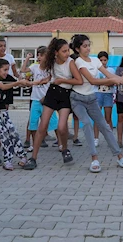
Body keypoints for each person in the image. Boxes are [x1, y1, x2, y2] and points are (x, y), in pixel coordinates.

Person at [70, 35, 123, 172]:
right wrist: (115, 81)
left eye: (88, 45)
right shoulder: (79, 62)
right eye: (84, 46)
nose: (88, 48)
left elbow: (109, 75)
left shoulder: (94, 60)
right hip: (77, 99)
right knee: (86, 123)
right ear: (77, 49)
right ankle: (94, 158)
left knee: (105, 126)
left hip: (91, 99)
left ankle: (119, 156)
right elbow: (93, 81)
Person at [23, 38, 82, 170]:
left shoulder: (70, 62)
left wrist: (62, 80)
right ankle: (33, 158)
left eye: (68, 50)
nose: (67, 53)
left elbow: (79, 81)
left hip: (65, 95)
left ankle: (65, 149)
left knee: (61, 127)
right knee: (42, 126)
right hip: (52, 93)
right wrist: (42, 81)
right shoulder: (52, 62)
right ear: (56, 52)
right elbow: (51, 77)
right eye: (64, 51)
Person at [0, 59, 29, 170]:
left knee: (12, 131)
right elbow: (4, 87)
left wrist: (30, 82)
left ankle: (22, 156)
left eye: (7, 70)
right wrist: (18, 82)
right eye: (4, 70)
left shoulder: (8, 78)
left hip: (2, 111)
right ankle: (7, 160)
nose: (6, 72)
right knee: (3, 133)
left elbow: (18, 83)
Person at [23, 47, 59, 153]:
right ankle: (34, 144)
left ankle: (61, 144)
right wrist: (27, 59)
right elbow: (23, 70)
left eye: (41, 55)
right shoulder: (34, 67)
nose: (39, 57)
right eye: (38, 55)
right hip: (35, 99)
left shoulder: (51, 69)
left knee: (54, 122)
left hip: (48, 101)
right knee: (33, 122)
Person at [93, 51, 116, 148]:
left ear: (107, 60)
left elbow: (113, 82)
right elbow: (94, 82)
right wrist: (106, 82)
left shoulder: (111, 70)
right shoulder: (95, 70)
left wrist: (102, 82)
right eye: (101, 60)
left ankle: (110, 139)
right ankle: (96, 138)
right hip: (98, 94)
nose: (103, 62)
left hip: (108, 94)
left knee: (108, 118)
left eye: (105, 60)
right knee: (97, 117)